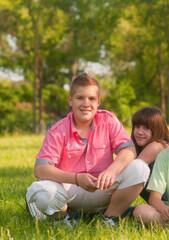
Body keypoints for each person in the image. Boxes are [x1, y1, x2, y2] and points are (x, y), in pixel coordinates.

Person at [25, 73, 150, 226]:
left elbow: (129, 149)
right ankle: (64, 218)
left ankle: (110, 218)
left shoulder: (108, 120)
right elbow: (40, 169)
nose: (86, 104)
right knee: (41, 191)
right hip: (70, 192)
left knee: (140, 167)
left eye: (91, 99)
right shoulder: (58, 130)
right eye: (80, 98)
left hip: (103, 187)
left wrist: (111, 171)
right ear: (70, 100)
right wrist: (77, 178)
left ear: (98, 102)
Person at [131, 106, 169, 202]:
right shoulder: (144, 147)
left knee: (136, 173)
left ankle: (108, 211)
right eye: (137, 127)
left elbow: (130, 171)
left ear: (157, 130)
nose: (140, 132)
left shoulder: (158, 146)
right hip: (162, 202)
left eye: (146, 128)